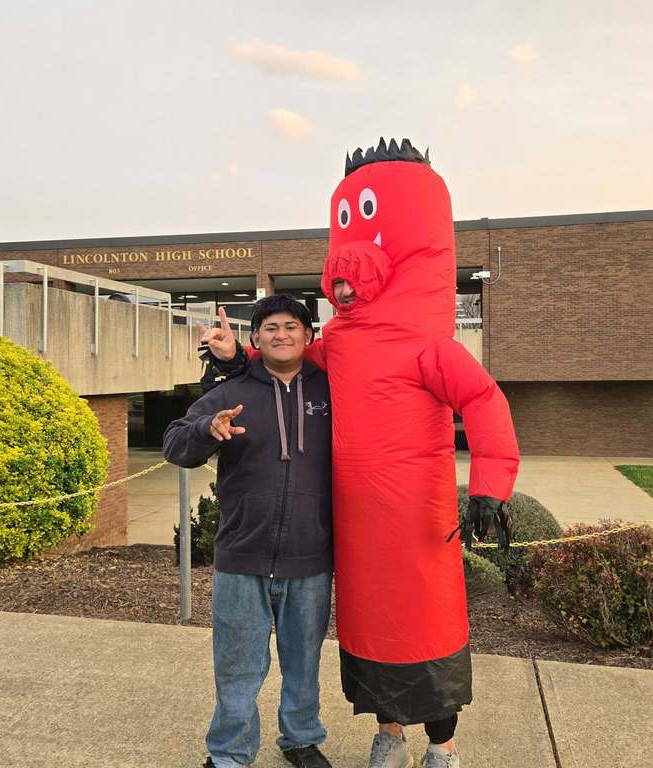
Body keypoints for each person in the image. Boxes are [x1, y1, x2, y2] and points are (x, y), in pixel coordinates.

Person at [199, 138, 520, 768]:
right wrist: (236, 357)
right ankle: (389, 733)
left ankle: (443, 745)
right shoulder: (338, 344)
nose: (346, 270)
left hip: (419, 519)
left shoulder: (428, 345)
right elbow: (285, 359)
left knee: (425, 619)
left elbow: (483, 401)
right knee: (372, 624)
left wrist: (489, 487)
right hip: (353, 527)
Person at [163, 296, 334, 768]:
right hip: (242, 554)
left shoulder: (332, 391)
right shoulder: (232, 390)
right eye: (270, 328)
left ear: (308, 336)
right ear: (256, 340)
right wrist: (206, 429)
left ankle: (301, 739)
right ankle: (229, 754)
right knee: (237, 667)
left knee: (304, 662)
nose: (282, 334)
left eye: (291, 326)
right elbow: (175, 443)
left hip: (311, 556)